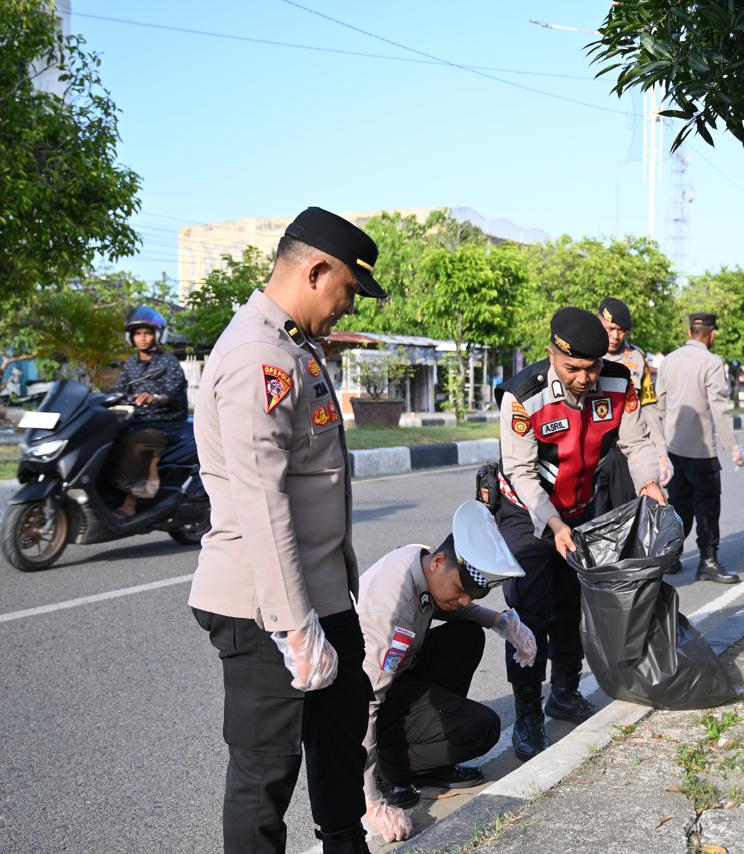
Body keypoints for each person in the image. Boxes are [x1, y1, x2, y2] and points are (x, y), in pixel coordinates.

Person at [189, 207, 387, 854]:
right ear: (316, 270)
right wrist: (295, 628)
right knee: (265, 776)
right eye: (348, 290)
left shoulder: (293, 348)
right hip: (265, 609)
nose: (347, 306)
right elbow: (261, 499)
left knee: (339, 745)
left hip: (321, 595)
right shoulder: (259, 356)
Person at [495, 307, 664, 762]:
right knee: (529, 614)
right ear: (551, 354)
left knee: (574, 606)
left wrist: (649, 481)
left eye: (592, 367)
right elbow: (521, 472)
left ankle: (564, 692)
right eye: (573, 368)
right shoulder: (523, 396)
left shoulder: (619, 382)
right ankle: (527, 714)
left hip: (582, 508)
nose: (585, 379)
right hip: (528, 513)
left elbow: (636, 442)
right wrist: (553, 524)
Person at [357, 502, 533, 844]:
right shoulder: (391, 617)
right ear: (439, 562)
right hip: (364, 699)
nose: (465, 600)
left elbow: (447, 606)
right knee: (480, 729)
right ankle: (386, 770)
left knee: (466, 635)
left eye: (472, 595)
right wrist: (369, 801)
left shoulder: (418, 560)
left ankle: (427, 766)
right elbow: (364, 705)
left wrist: (501, 623)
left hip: (395, 678)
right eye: (461, 590)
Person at [656, 312, 744, 584]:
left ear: (689, 331)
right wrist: (733, 446)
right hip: (701, 450)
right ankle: (707, 561)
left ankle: (671, 556)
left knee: (678, 504)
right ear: (712, 334)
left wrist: (660, 448)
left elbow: (660, 406)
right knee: (707, 506)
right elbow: (719, 407)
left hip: (673, 447)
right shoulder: (712, 362)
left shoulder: (668, 361)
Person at [109, 307, 191, 516]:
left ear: (156, 335)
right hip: (136, 421)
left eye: (147, 333)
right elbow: (120, 390)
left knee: (138, 443)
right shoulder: (130, 364)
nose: (142, 338)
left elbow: (173, 392)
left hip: (164, 423)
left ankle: (130, 502)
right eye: (138, 334)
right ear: (131, 337)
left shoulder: (168, 361)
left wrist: (155, 397)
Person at [595, 297, 669, 511]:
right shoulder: (587, 352)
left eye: (621, 331)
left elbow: (648, 407)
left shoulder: (636, 358)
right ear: (599, 322)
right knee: (593, 517)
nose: (615, 336)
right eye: (610, 328)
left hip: (626, 452)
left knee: (626, 515)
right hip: (594, 453)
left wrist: (661, 454)